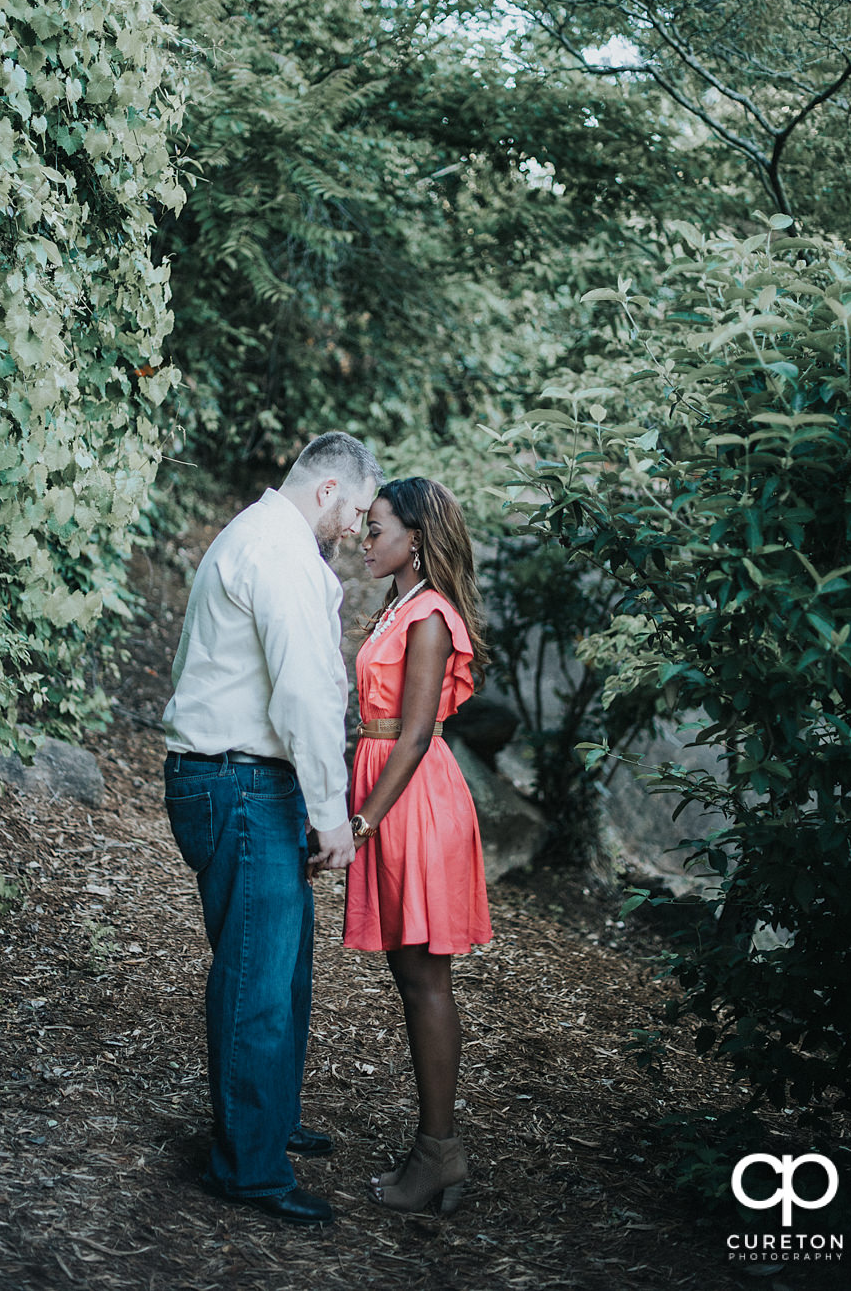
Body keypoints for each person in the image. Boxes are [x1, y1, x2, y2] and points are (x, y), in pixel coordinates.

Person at [162, 432, 384, 1226]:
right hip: (242, 782)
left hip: (248, 781)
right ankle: (248, 1168)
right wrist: (332, 815)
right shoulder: (281, 552)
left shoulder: (265, 538)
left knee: (283, 968)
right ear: (328, 490)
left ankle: (270, 1121)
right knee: (258, 975)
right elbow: (302, 698)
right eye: (358, 512)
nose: (359, 530)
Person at [343, 476, 493, 1214]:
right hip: (392, 794)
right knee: (413, 979)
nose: (365, 541)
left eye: (377, 529)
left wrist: (363, 820)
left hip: (413, 801)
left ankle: (440, 1153)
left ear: (416, 539)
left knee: (426, 981)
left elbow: (413, 734)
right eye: (366, 529)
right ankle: (439, 1150)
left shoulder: (430, 616)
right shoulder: (397, 605)